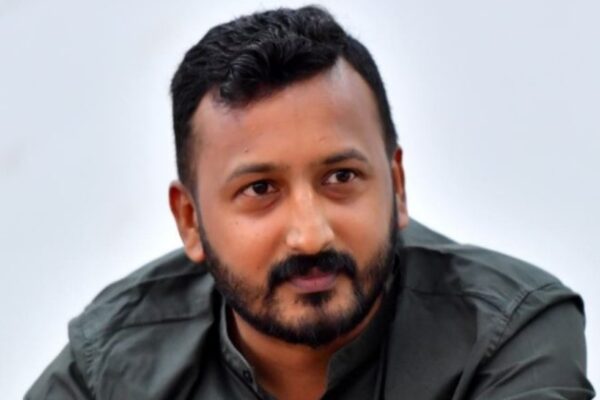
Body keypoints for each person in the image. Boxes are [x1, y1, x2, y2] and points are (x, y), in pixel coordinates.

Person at [26, 6, 594, 400]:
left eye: (341, 176)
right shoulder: (114, 363)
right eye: (260, 189)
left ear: (397, 185)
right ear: (190, 220)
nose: (310, 233)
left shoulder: (505, 334)